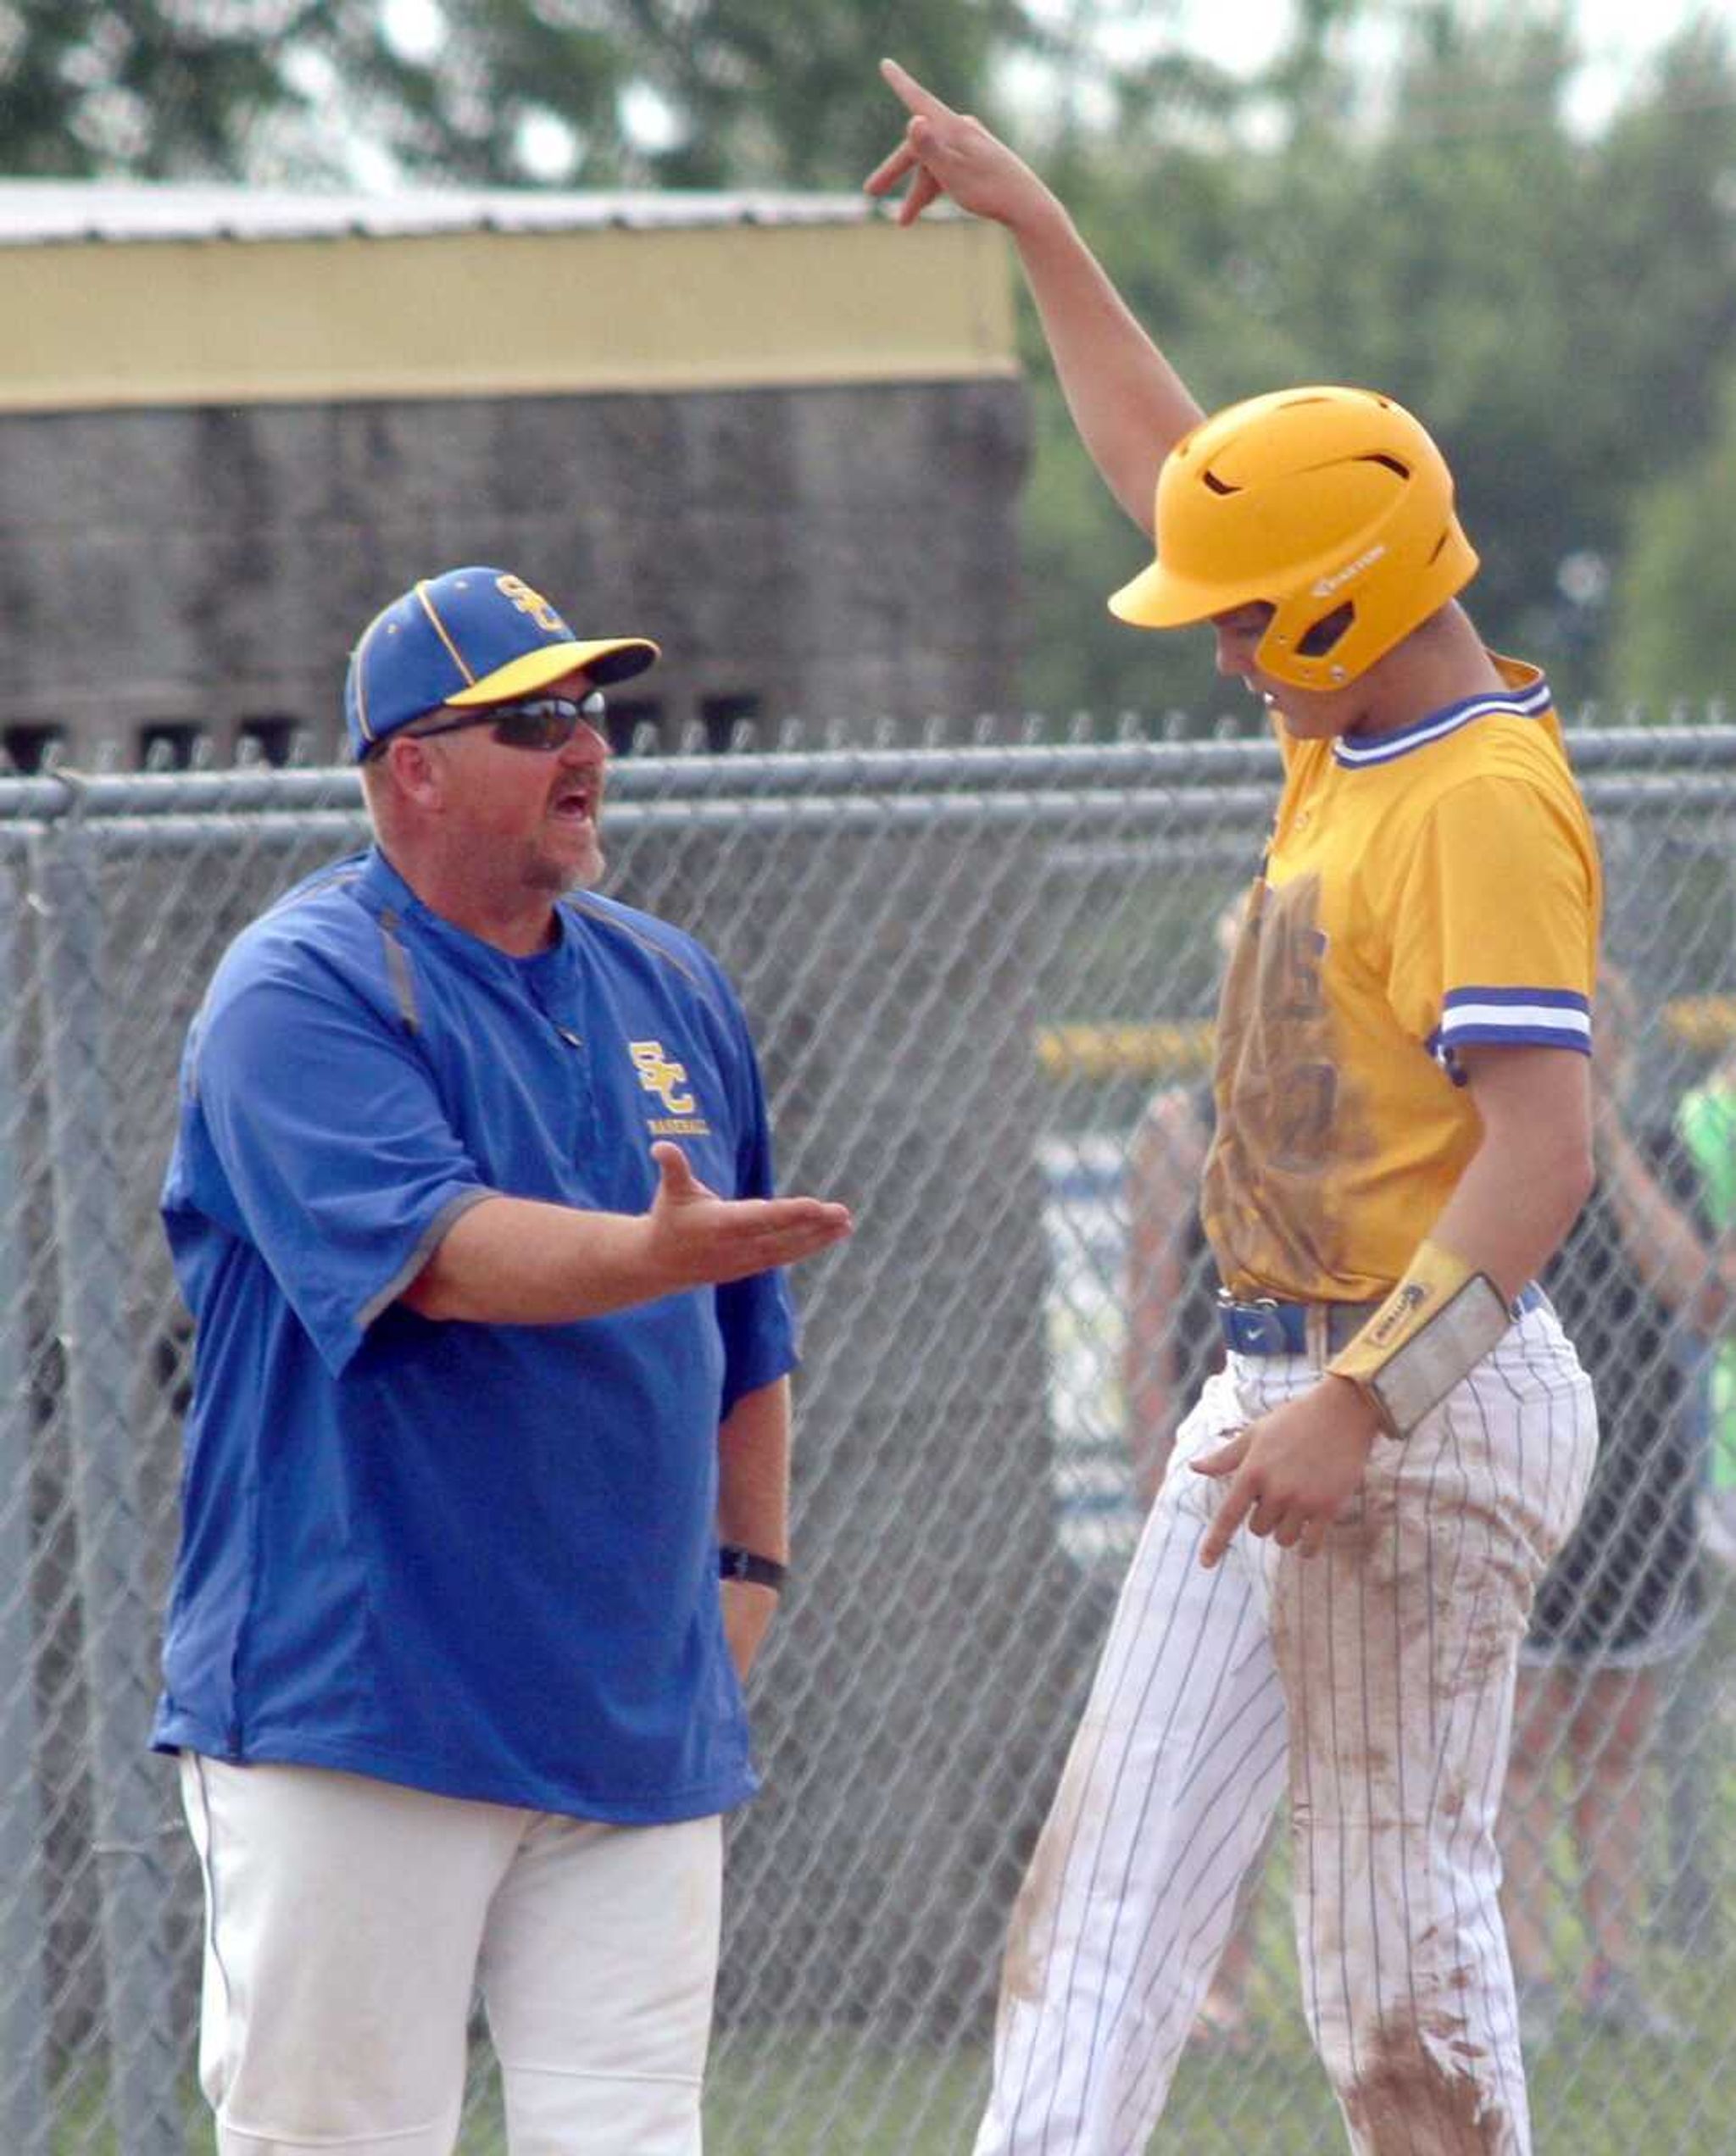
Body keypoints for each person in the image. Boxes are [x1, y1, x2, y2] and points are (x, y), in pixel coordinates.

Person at [869, 62, 1601, 2156]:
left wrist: (1359, 1406)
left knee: (1383, 1965)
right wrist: (1034, 224)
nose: (1220, 659)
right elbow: (1178, 472)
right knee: (1094, 1914)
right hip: (1272, 1379)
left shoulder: (1468, 796)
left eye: (1247, 630)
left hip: (1421, 1399)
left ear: (1349, 605)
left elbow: (1540, 1152)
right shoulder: (1352, 721)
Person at [150, 564, 854, 2156]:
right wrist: (647, 1252)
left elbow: (748, 1331)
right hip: (365, 1705)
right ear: (411, 763)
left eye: (588, 711)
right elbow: (444, 1256)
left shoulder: (669, 982)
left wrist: (743, 1576)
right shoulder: (307, 984)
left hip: (628, 1713)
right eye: (531, 717)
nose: (583, 745)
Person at [1501, 975, 1712, 2048]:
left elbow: (1698, 1294)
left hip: (1636, 1495)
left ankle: (1611, 1976)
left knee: (1617, 1739)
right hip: (1524, 1480)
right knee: (1523, 1739)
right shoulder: (1499, 1164)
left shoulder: (1658, 1156)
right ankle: (1527, 1978)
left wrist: (1608, 1152)